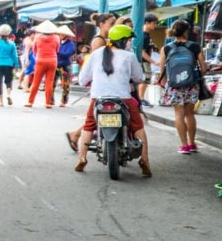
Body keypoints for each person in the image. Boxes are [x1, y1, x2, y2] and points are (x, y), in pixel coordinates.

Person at [75, 24, 151, 177]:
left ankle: (82, 157)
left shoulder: (96, 54)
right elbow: (139, 77)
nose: (129, 43)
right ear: (123, 41)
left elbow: (82, 79)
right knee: (138, 126)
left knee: (89, 127)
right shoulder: (129, 56)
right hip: (123, 98)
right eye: (129, 40)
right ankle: (144, 160)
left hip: (98, 98)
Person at [64, 12, 117, 152]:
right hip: (102, 83)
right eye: (111, 24)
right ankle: (77, 137)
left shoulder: (106, 39)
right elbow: (99, 63)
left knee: (97, 115)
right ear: (101, 24)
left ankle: (76, 135)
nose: (114, 27)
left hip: (107, 82)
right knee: (95, 115)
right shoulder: (99, 41)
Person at [157, 19, 208, 154]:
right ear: (187, 31)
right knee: (190, 114)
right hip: (191, 85)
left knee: (178, 114)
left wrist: (164, 84)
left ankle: (184, 145)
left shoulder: (166, 48)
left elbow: (162, 71)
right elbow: (203, 69)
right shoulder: (195, 47)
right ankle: (192, 143)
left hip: (174, 86)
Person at [26, 21, 61, 108]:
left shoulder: (37, 37)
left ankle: (30, 102)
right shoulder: (56, 37)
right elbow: (57, 50)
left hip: (40, 60)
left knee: (36, 81)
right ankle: (48, 103)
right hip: (53, 60)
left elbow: (34, 49)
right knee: (49, 82)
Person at [0, 24, 19, 106]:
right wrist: (17, 65)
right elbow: (14, 56)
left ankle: (1, 101)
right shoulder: (11, 44)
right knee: (8, 81)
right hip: (9, 64)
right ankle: (8, 94)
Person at [139, 13, 160, 107]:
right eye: (154, 23)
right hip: (144, 62)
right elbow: (142, 52)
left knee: (145, 80)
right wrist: (153, 61)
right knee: (145, 79)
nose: (155, 26)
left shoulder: (145, 34)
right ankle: (141, 98)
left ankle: (141, 98)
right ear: (147, 23)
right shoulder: (144, 36)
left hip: (144, 61)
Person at [56, 25, 77, 107]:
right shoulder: (58, 42)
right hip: (56, 64)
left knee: (65, 84)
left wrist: (57, 52)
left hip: (65, 65)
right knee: (52, 83)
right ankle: (51, 100)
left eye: (60, 34)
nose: (59, 36)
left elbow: (67, 54)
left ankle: (64, 101)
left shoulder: (71, 44)